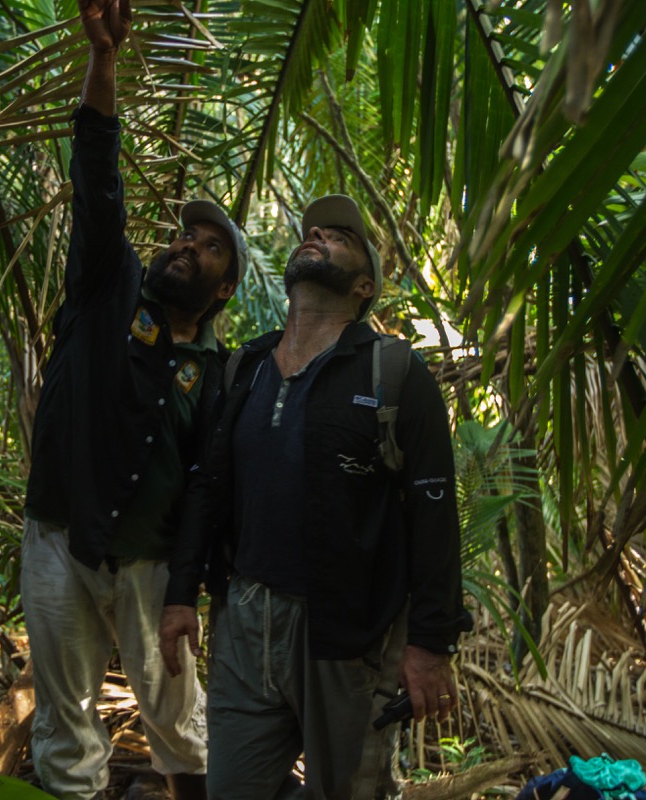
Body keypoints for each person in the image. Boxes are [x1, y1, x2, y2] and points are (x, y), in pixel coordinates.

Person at [159, 195, 468, 799]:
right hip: (245, 621)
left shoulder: (394, 371)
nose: (318, 235)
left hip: (346, 636)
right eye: (314, 230)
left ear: (363, 286)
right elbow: (209, 488)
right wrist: (179, 595)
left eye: (339, 238)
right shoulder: (243, 366)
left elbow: (435, 515)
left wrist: (431, 646)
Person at [20, 0, 249, 797]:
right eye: (186, 231)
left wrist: (184, 591)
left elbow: (206, 493)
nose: (187, 242)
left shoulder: (219, 375)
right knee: (64, 726)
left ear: (222, 291)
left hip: (150, 570)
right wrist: (104, 63)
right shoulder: (105, 286)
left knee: (178, 725)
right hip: (56, 538)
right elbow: (96, 176)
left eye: (210, 244)